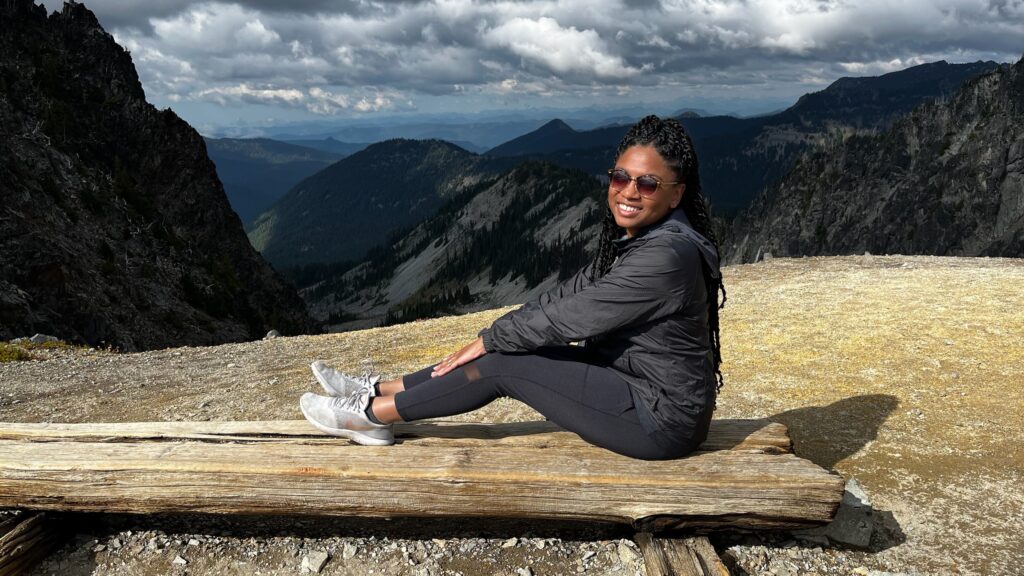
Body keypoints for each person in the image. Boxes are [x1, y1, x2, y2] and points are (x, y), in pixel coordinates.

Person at [299, 114, 726, 460]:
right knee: (502, 348)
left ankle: (373, 417)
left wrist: (492, 341)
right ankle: (382, 389)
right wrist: (495, 334)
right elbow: (566, 294)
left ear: (676, 195)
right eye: (619, 177)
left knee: (500, 364)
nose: (628, 191)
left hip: (659, 419)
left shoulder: (666, 257)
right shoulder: (643, 239)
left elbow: (573, 317)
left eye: (647, 184)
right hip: (631, 384)